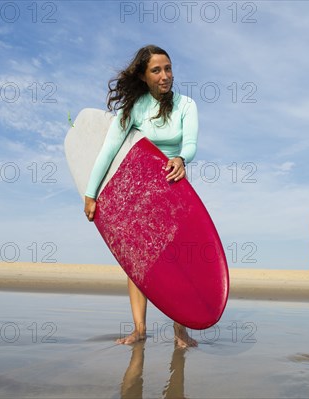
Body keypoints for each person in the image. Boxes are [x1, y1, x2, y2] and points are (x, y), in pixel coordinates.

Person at [84, 45, 198, 348]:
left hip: (175, 191)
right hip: (141, 195)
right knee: (138, 263)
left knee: (179, 262)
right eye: (157, 70)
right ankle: (139, 329)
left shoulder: (186, 104)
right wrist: (90, 193)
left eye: (168, 68)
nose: (165, 76)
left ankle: (180, 330)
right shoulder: (134, 109)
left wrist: (182, 159)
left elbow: (191, 142)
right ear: (144, 76)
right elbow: (108, 151)